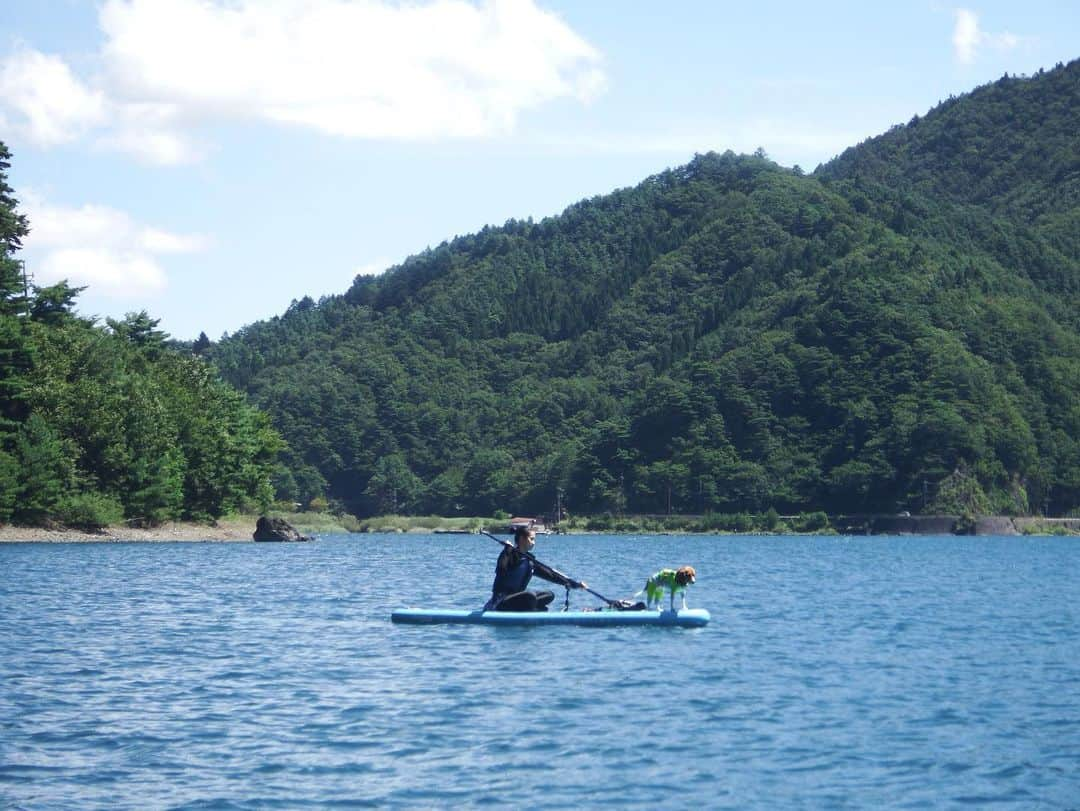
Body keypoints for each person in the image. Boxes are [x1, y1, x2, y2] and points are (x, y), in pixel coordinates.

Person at [484, 526, 586, 611]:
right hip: (500, 601)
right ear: (521, 539)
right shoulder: (509, 554)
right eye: (531, 539)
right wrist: (506, 550)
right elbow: (500, 569)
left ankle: (534, 610)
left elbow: (551, 575)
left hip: (517, 598)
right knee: (530, 596)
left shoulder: (530, 561)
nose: (534, 543)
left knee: (549, 595)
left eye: (534, 539)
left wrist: (574, 584)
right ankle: (533, 610)